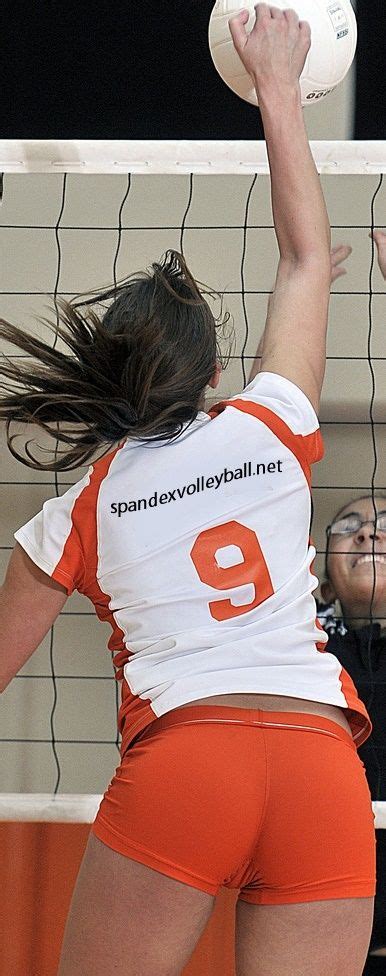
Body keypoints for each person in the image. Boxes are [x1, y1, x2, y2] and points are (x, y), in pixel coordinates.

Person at [0, 6, 377, 975]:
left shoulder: (79, 505)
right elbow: (302, 258)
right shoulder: (268, 423)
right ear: (214, 379)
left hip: (186, 767)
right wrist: (280, 91)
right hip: (318, 768)